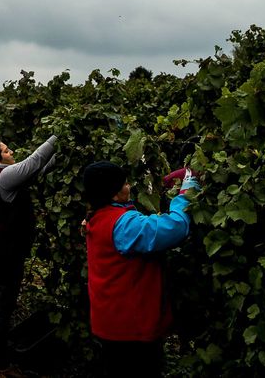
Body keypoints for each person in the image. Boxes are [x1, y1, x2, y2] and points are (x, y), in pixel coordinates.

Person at [82, 161, 199, 375]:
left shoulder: (97, 216)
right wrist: (185, 194)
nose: (130, 187)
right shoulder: (124, 225)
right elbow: (176, 228)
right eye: (125, 184)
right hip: (131, 329)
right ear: (115, 194)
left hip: (110, 322)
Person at [0, 134, 60, 378]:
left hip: (7, 254)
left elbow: (39, 171)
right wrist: (57, 136)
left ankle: (2, 366)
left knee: (3, 312)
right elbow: (34, 161)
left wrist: (63, 153)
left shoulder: (4, 177)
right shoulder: (2, 176)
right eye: (7, 150)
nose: (12, 153)